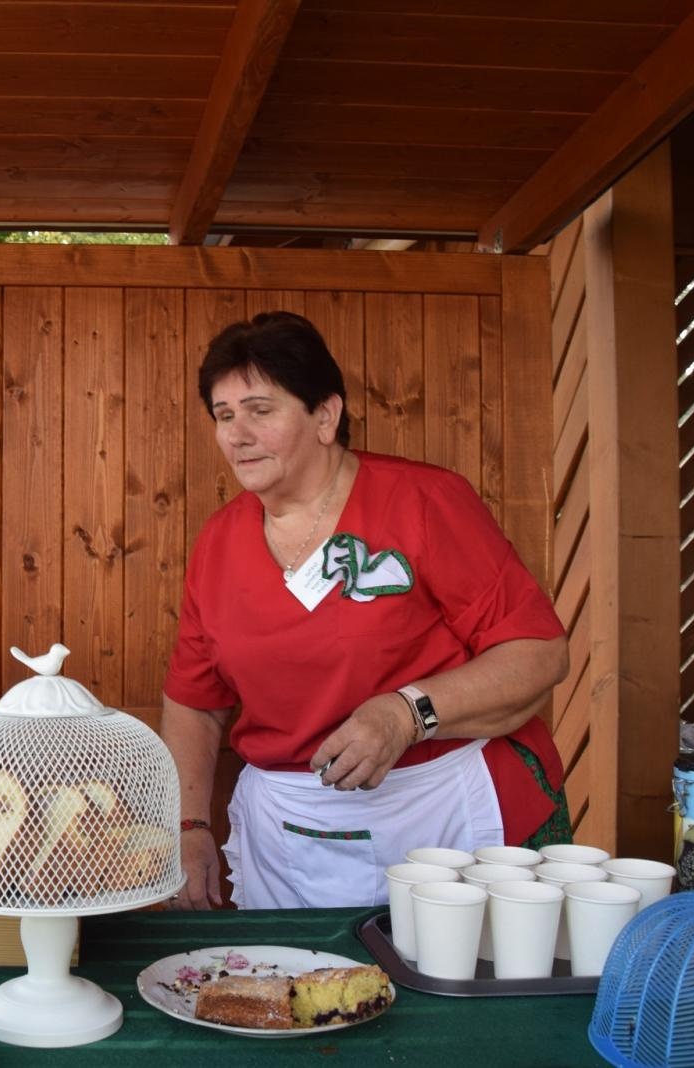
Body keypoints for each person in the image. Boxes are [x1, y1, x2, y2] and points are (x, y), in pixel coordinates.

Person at [163, 312, 571, 910]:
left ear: (325, 415)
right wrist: (188, 827)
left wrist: (407, 713)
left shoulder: (424, 502)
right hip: (289, 832)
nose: (236, 435)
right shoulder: (218, 542)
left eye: (260, 410)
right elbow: (196, 702)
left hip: (444, 808)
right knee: (288, 971)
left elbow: (538, 652)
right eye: (224, 416)